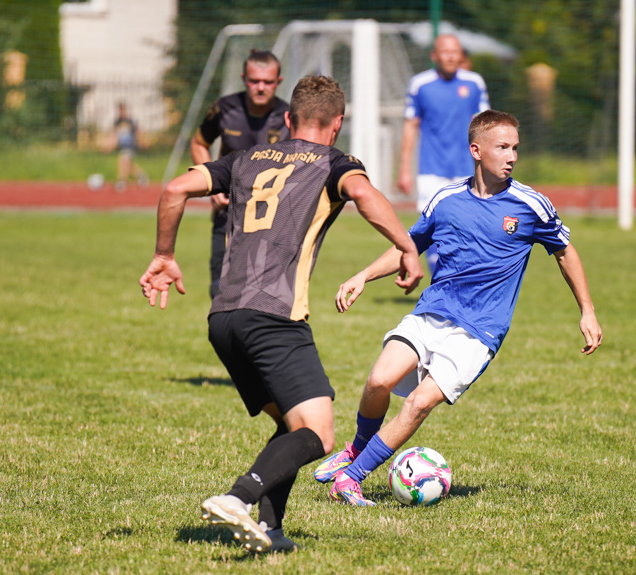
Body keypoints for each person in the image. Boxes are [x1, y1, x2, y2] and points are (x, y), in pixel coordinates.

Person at [139, 75, 423, 551]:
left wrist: (165, 255)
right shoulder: (336, 163)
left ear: (288, 119)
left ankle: (271, 529)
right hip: (274, 318)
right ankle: (238, 498)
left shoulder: (246, 158)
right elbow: (367, 197)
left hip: (223, 319)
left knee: (291, 425)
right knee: (319, 433)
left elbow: (173, 189)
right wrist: (406, 247)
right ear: (338, 124)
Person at [314, 110, 603, 506]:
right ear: (476, 150)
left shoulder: (530, 205)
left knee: (419, 404)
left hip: (479, 331)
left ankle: (352, 478)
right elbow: (410, 244)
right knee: (378, 381)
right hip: (432, 312)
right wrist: (363, 275)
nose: (512, 155)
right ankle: (357, 450)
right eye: (502, 147)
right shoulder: (446, 199)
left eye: (515, 147)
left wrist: (586, 310)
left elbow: (564, 251)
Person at [191, 49, 290, 299]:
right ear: (243, 78)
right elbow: (199, 142)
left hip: (270, 221)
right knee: (220, 290)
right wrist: (210, 187)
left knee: (265, 296)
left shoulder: (289, 117)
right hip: (227, 215)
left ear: (278, 82)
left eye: (267, 82)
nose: (260, 87)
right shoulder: (224, 109)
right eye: (254, 81)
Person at [397, 34, 489, 274]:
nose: (451, 56)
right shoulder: (420, 84)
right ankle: (441, 285)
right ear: (434, 56)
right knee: (434, 230)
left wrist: (487, 167)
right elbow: (410, 126)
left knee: (468, 230)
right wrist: (404, 168)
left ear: (461, 55)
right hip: (431, 170)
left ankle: (461, 282)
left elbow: (484, 127)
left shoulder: (474, 83)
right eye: (445, 52)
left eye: (455, 51)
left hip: (466, 169)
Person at [111, 102, 147, 191]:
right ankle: (141, 175)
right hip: (122, 146)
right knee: (128, 165)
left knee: (122, 162)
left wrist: (142, 141)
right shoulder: (117, 121)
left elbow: (137, 132)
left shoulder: (130, 121)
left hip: (130, 146)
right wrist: (111, 144)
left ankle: (121, 182)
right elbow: (114, 134)